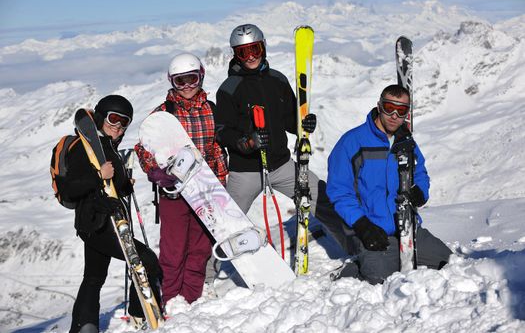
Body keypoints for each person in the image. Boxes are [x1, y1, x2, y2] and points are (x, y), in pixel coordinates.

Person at [215, 24, 337, 248]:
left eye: (255, 49)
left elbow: (291, 119)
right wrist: (246, 142)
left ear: (263, 48)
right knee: (225, 223)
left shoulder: (277, 80)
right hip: (245, 172)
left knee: (325, 199)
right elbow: (222, 131)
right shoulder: (228, 89)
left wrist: (303, 124)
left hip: (282, 165)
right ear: (235, 54)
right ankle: (207, 277)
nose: (250, 56)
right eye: (243, 52)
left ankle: (356, 247)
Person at [326, 84, 452, 285]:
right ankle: (353, 270)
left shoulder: (406, 142)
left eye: (401, 110)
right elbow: (339, 191)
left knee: (452, 265)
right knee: (380, 282)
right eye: (389, 107)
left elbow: (420, 172)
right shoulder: (352, 142)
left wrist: (420, 191)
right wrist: (362, 224)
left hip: (408, 228)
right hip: (370, 231)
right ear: (379, 106)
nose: (394, 115)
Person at [134, 53, 227, 305]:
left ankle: (191, 298)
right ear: (171, 82)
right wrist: (154, 170)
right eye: (180, 81)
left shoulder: (211, 110)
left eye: (192, 78)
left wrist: (220, 182)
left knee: (199, 249)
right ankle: (171, 299)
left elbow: (216, 148)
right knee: (174, 251)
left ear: (201, 76)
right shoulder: (163, 114)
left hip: (205, 189)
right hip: (174, 193)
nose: (187, 86)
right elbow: (143, 148)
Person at [65, 95, 162, 333]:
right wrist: (99, 175)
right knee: (147, 261)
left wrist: (124, 183)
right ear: (100, 117)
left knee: (94, 278)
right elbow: (71, 187)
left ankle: (83, 326)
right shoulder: (83, 148)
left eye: (124, 122)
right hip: (99, 224)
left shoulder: (107, 146)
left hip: (98, 224)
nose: (118, 126)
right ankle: (142, 315)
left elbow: (111, 184)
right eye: (113, 119)